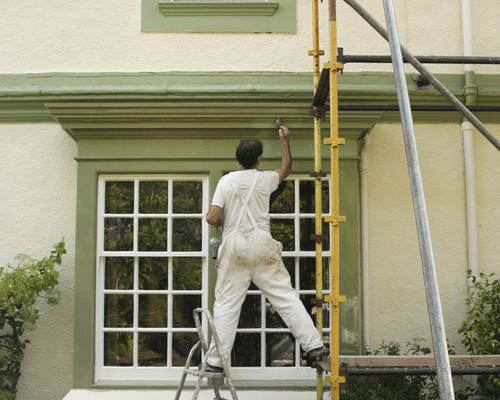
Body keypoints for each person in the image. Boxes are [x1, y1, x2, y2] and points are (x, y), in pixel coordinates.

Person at [204, 126, 327, 372]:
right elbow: (286, 170)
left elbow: (211, 216)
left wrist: (221, 223)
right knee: (285, 296)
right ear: (258, 159)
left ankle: (217, 361)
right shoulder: (265, 178)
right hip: (262, 244)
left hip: (234, 244)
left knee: (227, 303)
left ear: (238, 159)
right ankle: (314, 346)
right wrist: (285, 142)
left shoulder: (226, 181)